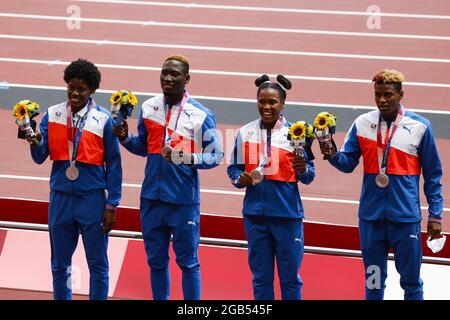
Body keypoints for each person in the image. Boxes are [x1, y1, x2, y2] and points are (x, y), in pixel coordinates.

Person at [319, 69, 443, 300]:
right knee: (374, 282)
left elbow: (433, 175)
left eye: (388, 95)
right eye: (377, 95)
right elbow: (347, 164)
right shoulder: (362, 123)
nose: (382, 100)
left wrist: (435, 215)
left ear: (400, 95)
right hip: (371, 219)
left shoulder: (420, 126)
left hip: (405, 219)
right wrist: (331, 152)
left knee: (411, 283)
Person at [113, 54, 223, 300]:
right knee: (156, 262)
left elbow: (216, 156)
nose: (168, 78)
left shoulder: (201, 114)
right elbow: (143, 147)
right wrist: (124, 138)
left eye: (175, 74)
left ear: (187, 79)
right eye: (165, 73)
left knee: (188, 263)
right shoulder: (148, 107)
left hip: (183, 202)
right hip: (152, 198)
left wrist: (184, 158)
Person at [27, 58, 122, 300]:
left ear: (92, 91)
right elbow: (40, 157)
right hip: (60, 199)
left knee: (98, 265)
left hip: (92, 200)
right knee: (60, 264)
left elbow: (114, 165)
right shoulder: (53, 114)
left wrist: (111, 205)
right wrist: (33, 139)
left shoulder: (103, 120)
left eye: (81, 89)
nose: (75, 93)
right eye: (71, 87)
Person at [227, 74, 315, 300]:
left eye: (272, 102)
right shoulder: (244, 132)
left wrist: (303, 168)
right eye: (262, 101)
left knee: (290, 280)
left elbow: (309, 176)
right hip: (255, 218)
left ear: (282, 104)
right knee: (261, 279)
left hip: (287, 218)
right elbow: (233, 169)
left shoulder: (297, 134)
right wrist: (240, 179)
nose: (266, 106)